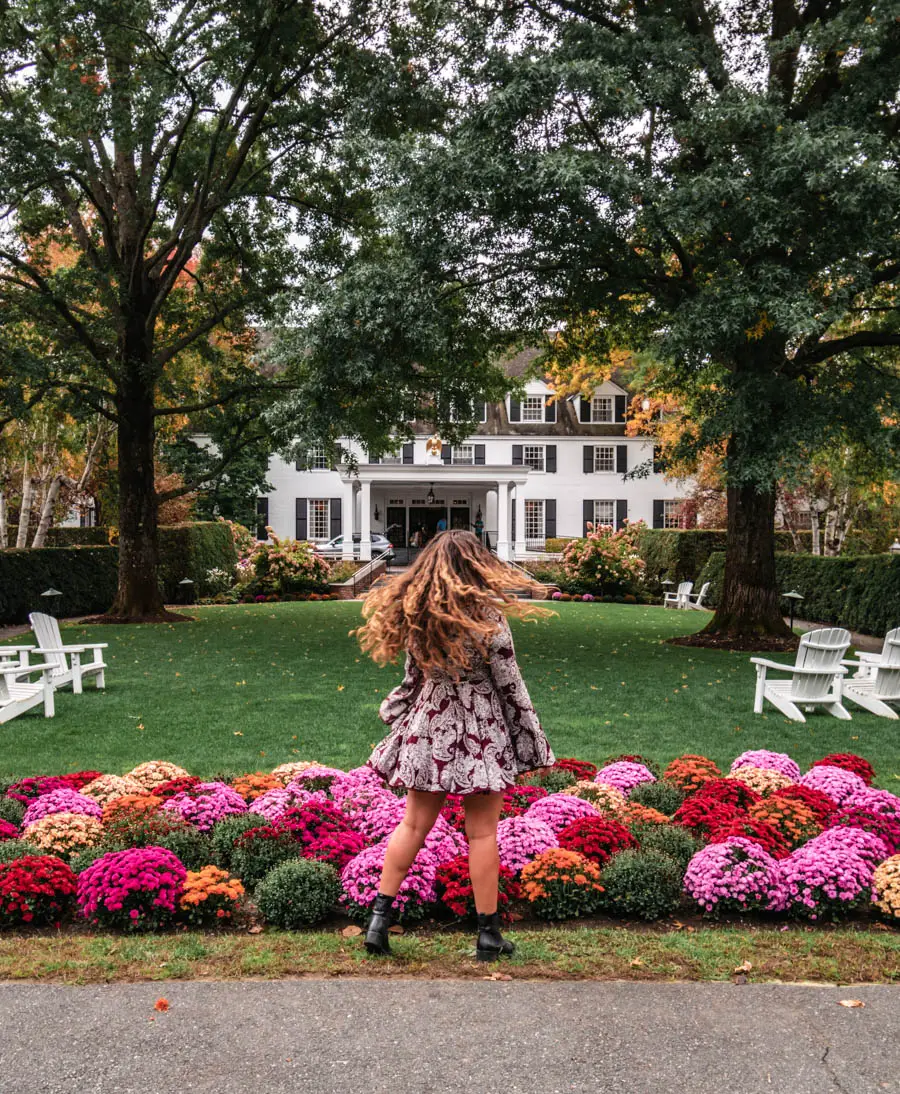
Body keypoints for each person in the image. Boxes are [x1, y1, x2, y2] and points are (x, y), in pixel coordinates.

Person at [354, 529, 555, 960]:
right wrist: (530, 734)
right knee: (482, 833)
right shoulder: (487, 619)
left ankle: (377, 921)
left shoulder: (420, 618)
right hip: (480, 733)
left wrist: (396, 710)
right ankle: (488, 935)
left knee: (411, 826)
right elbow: (510, 684)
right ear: (477, 567)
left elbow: (412, 681)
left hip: (430, 727)